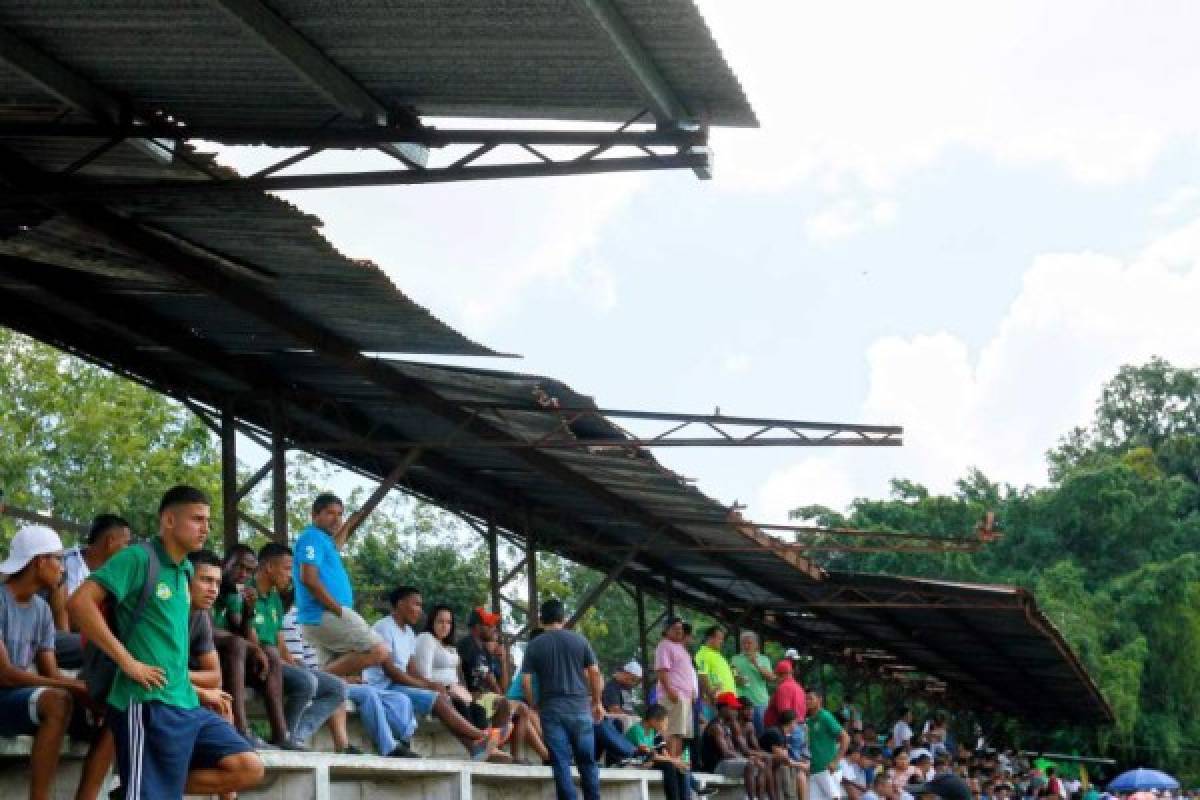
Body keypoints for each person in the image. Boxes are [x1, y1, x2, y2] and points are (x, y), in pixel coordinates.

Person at [69, 485, 263, 799]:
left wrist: (201, 691)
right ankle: (141, 788)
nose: (205, 528)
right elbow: (78, 604)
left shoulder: (186, 570)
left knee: (248, 767)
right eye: (197, 519)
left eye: (207, 521)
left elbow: (170, 649)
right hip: (144, 703)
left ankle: (139, 787)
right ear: (169, 521)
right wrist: (128, 662)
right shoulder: (137, 557)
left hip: (184, 703)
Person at [0, 525, 111, 800]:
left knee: (112, 705)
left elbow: (50, 671)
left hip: (17, 699)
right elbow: (5, 675)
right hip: (3, 695)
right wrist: (75, 689)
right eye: (58, 559)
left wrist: (88, 693)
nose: (63, 568)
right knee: (59, 700)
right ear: (39, 561)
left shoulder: (41, 610)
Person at [363, 586, 498, 758]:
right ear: (400, 604)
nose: (420, 610)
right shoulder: (384, 628)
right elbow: (393, 673)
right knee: (437, 699)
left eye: (421, 605)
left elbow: (412, 670)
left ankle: (477, 747)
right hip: (383, 686)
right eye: (416, 604)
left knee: (445, 698)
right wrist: (429, 686)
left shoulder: (409, 633)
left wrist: (431, 685)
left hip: (397, 685)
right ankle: (482, 737)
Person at [281, 605, 419, 758]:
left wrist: (345, 677)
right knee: (365, 693)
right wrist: (333, 678)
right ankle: (387, 747)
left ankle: (402, 741)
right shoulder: (293, 619)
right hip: (315, 680)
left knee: (399, 698)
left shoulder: (323, 619)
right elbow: (297, 665)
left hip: (328, 677)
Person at [255, 542, 344, 749]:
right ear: (269, 567)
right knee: (306, 682)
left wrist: (292, 661)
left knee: (337, 688)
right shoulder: (248, 594)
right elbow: (250, 640)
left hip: (277, 661)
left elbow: (278, 638)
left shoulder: (275, 598)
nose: (291, 576)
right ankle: (282, 736)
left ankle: (295, 736)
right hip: (259, 663)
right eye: (287, 569)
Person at [293, 493, 388, 677]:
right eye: (330, 513)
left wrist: (349, 523)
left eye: (340, 514)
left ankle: (319, 683)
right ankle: (312, 679)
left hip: (324, 616)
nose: (336, 519)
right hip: (325, 614)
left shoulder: (323, 540)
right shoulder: (311, 538)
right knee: (378, 650)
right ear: (315, 515)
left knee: (337, 686)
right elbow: (308, 579)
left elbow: (336, 545)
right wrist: (337, 609)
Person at [521, 598, 604, 800]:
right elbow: (594, 673)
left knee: (561, 763)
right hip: (580, 708)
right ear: (564, 618)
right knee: (588, 763)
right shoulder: (580, 640)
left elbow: (525, 682)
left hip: (551, 709)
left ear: (541, 620)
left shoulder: (534, 645)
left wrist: (533, 703)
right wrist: (597, 701)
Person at [211, 544, 288, 749]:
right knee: (240, 646)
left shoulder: (234, 593)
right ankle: (241, 729)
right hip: (198, 655)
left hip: (224, 659)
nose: (243, 575)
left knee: (271, 655)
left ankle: (281, 734)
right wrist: (254, 649)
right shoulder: (210, 586)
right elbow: (204, 628)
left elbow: (240, 627)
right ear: (224, 564)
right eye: (239, 567)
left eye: (248, 571)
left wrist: (248, 611)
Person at [48, 514, 131, 669]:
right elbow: (66, 613)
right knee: (111, 652)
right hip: (59, 637)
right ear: (110, 541)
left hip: (90, 636)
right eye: (126, 543)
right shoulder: (65, 563)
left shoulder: (116, 575)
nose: (128, 550)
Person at [701, 692, 767, 800]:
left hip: (726, 763)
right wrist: (746, 758)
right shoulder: (716, 726)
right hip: (716, 765)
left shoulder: (726, 725)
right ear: (723, 709)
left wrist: (751, 758)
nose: (735, 712)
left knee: (760, 765)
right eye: (732, 709)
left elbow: (732, 751)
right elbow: (726, 753)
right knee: (750, 765)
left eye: (736, 709)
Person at [625, 703, 694, 800]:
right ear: (653, 721)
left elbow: (659, 752)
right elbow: (650, 754)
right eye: (664, 723)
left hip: (648, 761)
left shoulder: (653, 732)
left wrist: (677, 762)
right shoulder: (637, 730)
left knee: (679, 767)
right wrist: (674, 761)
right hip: (636, 762)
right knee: (669, 766)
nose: (665, 726)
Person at [654, 616, 697, 759]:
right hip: (673, 695)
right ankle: (670, 763)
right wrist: (670, 690)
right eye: (675, 628)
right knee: (672, 731)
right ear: (666, 631)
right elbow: (662, 671)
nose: (679, 631)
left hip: (685, 697)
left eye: (681, 628)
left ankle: (676, 762)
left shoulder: (681, 648)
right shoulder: (664, 645)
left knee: (681, 733)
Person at [807, 691, 849, 800]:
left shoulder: (825, 716)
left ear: (819, 699)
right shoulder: (809, 720)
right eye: (805, 699)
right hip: (813, 769)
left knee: (835, 798)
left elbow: (846, 738)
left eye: (810, 698)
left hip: (827, 768)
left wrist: (835, 762)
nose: (807, 701)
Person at [759, 709, 810, 800]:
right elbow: (784, 759)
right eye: (796, 723)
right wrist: (801, 765)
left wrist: (801, 764)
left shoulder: (782, 733)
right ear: (791, 722)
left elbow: (785, 756)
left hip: (773, 762)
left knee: (799, 773)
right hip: (764, 762)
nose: (796, 726)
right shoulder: (776, 733)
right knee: (790, 769)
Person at [731, 631, 774, 737]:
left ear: (756, 645)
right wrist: (737, 679)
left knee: (760, 733)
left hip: (760, 702)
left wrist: (756, 664)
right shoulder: (735, 659)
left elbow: (771, 678)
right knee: (740, 733)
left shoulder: (764, 659)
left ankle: (761, 753)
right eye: (744, 643)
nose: (746, 646)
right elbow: (733, 676)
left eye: (749, 643)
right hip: (741, 703)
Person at [765, 659, 807, 762]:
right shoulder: (799, 687)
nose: (776, 678)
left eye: (777, 675)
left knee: (788, 765)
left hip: (790, 730)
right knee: (797, 763)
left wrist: (785, 734)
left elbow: (784, 713)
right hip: (799, 727)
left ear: (780, 674)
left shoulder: (784, 687)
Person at [694, 626, 736, 708]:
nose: (722, 642)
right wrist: (710, 695)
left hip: (729, 699)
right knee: (716, 721)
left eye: (722, 639)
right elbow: (702, 675)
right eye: (719, 638)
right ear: (710, 638)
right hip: (717, 700)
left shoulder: (718, 654)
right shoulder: (703, 654)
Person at [601, 660, 642, 729]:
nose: (633, 683)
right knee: (628, 720)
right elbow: (614, 710)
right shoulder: (611, 687)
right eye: (632, 679)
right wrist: (631, 717)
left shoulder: (627, 688)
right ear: (625, 673)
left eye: (635, 681)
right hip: (612, 721)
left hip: (626, 719)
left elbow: (629, 709)